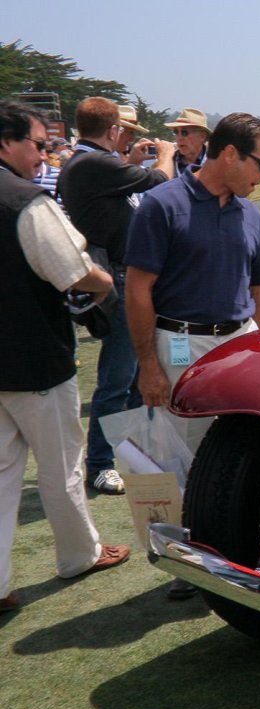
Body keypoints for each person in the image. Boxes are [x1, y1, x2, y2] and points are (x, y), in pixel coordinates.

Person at [0, 100, 130, 614]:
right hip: (34, 357)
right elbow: (74, 271)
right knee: (61, 465)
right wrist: (103, 285)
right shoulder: (23, 200)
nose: (43, 155)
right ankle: (80, 554)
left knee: (4, 474)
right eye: (38, 144)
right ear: (6, 143)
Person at [125, 112, 260, 455]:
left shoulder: (250, 213)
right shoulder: (162, 204)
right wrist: (149, 365)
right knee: (180, 456)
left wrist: (253, 349)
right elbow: (137, 289)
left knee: (239, 451)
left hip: (239, 347)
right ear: (230, 154)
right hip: (180, 348)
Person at [57, 97, 176, 496]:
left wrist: (130, 159)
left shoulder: (86, 162)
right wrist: (167, 156)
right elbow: (160, 182)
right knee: (119, 377)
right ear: (111, 131)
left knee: (126, 379)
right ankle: (101, 463)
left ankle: (120, 453)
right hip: (119, 278)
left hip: (122, 274)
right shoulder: (93, 163)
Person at [164, 106, 210, 173]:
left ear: (202, 136)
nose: (179, 138)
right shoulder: (167, 163)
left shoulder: (216, 164)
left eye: (184, 132)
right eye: (176, 132)